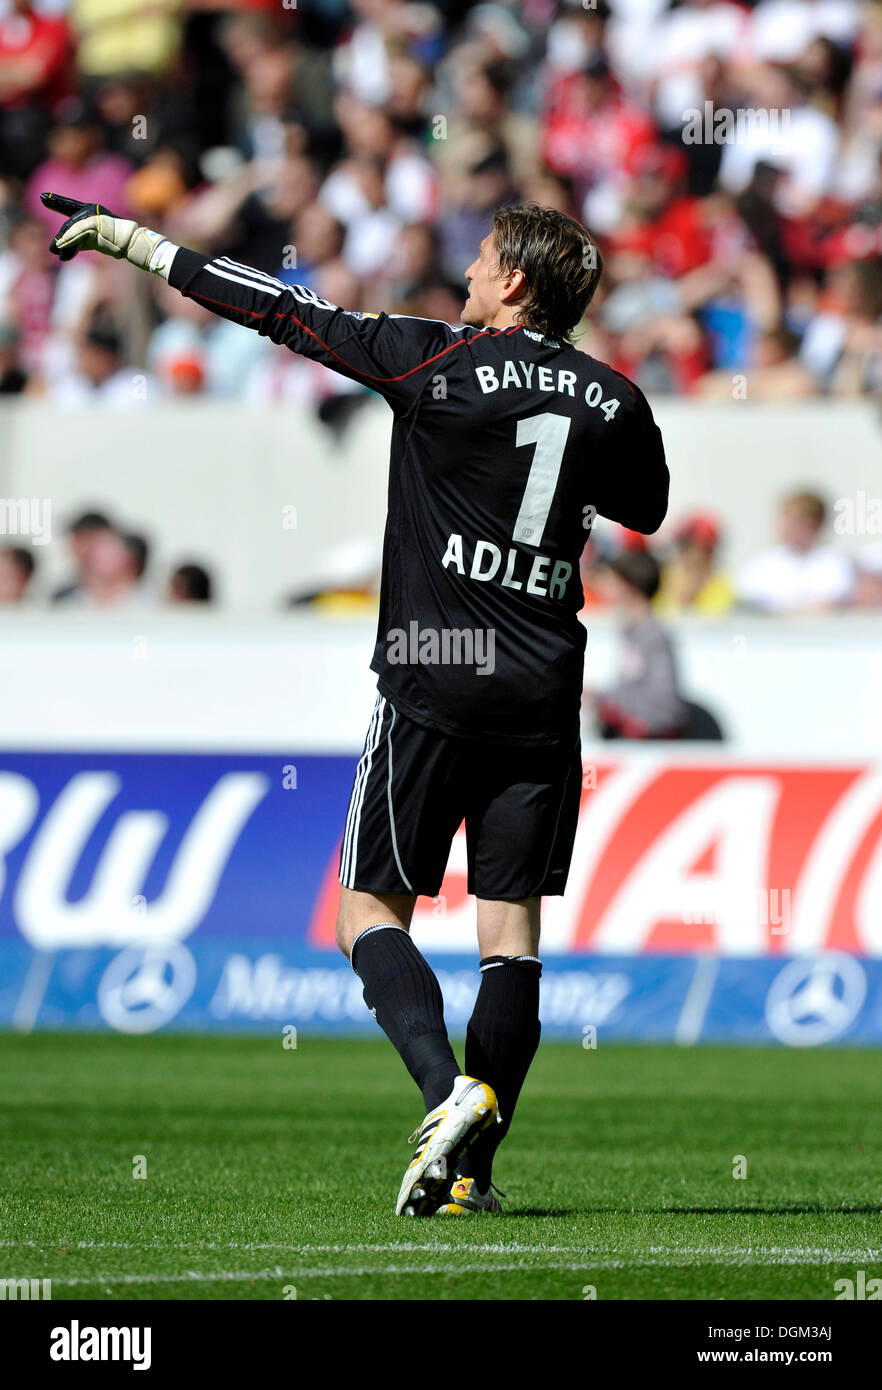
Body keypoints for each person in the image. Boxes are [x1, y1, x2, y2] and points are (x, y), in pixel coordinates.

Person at [42, 191, 669, 1216]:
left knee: (365, 912)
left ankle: (443, 1095)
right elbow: (644, 507)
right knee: (510, 937)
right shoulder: (617, 398)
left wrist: (139, 244)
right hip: (544, 689)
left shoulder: (432, 357)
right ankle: (471, 1173)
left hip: (430, 674)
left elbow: (282, 312)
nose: (467, 267)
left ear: (513, 283)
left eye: (482, 258)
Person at [593, 550, 688, 740]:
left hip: (649, 746)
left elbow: (665, 708)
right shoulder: (632, 632)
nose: (608, 590)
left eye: (615, 583)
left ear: (631, 587)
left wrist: (607, 703)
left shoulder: (653, 636)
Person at [736, 489, 854, 613]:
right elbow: (745, 602)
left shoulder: (835, 563)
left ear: (814, 525)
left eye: (792, 521)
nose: (783, 527)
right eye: (783, 519)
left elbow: (830, 606)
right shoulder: (764, 563)